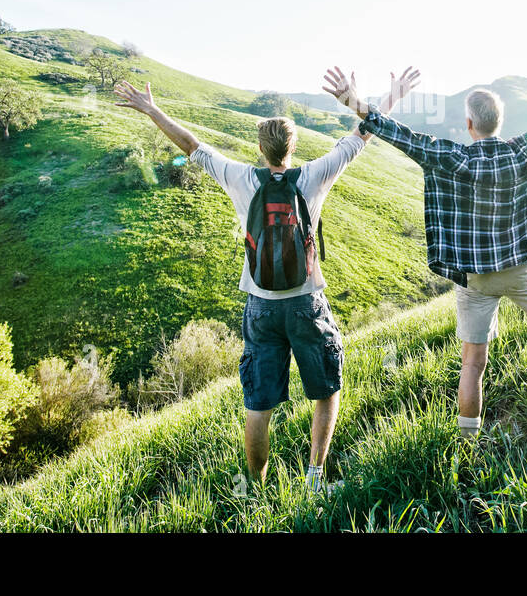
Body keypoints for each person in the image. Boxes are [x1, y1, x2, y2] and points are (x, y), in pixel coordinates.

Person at [114, 70, 419, 488]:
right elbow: (363, 134)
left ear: (260, 148)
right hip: (307, 302)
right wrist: (394, 94)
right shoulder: (314, 176)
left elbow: (190, 145)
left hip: (260, 305)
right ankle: (315, 475)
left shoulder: (241, 178)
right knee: (326, 389)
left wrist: (152, 110)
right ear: (293, 147)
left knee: (259, 402)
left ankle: (255, 486)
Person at [322, 30, 527, 438]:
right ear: (499, 123)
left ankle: (467, 443)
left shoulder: (451, 157)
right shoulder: (525, 150)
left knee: (472, 362)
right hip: (520, 268)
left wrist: (353, 101)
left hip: (475, 279)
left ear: (468, 124)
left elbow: (399, 134)